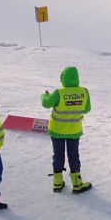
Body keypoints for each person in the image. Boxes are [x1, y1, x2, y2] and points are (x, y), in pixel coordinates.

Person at [40, 66, 92, 194]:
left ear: (63, 79)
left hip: (57, 130)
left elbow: (46, 104)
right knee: (73, 155)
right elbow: (87, 109)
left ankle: (57, 183)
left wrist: (44, 95)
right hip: (74, 130)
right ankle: (77, 183)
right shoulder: (84, 91)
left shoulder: (59, 92)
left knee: (58, 155)